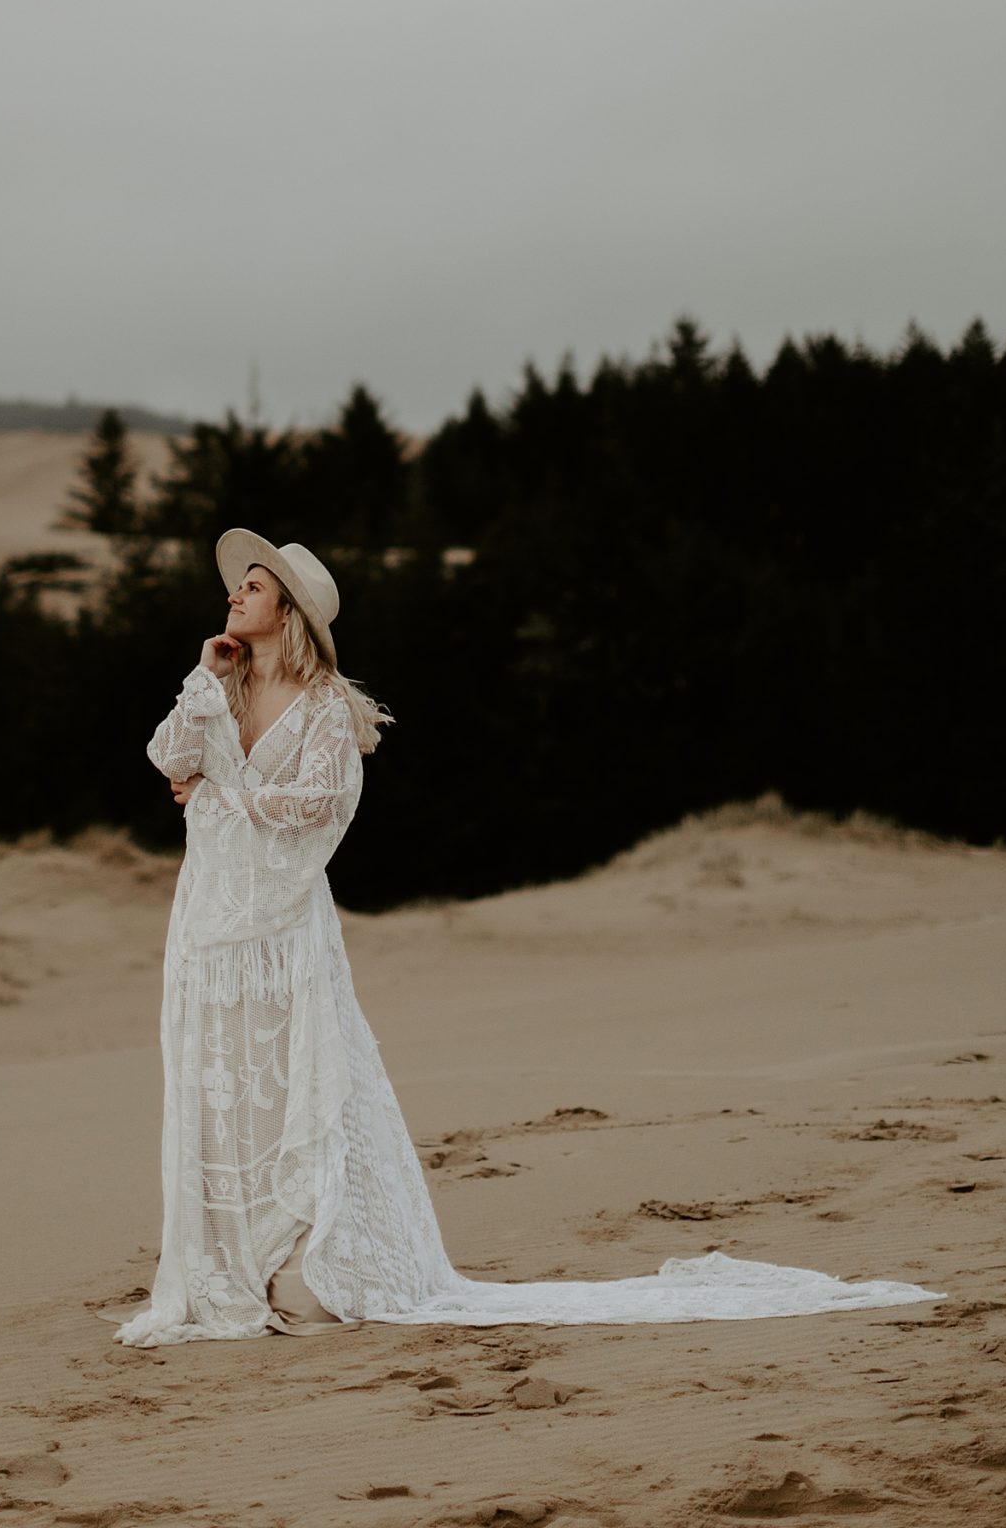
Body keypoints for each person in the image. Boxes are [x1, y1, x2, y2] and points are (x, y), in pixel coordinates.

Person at [116, 530, 942, 1347]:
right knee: (222, 1085)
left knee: (298, 1084)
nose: (236, 594)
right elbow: (166, 756)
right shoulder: (217, 688)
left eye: (254, 587)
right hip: (210, 926)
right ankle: (228, 1261)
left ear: (288, 611)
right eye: (239, 585)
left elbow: (316, 808)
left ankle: (303, 1253)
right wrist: (204, 675)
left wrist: (218, 794)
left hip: (285, 925)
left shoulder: (326, 706)